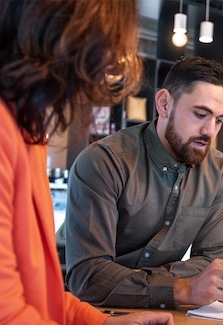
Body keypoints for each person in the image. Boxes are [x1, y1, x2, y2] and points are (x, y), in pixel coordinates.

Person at [0, 0, 174, 324]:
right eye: (103, 46)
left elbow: (42, 294)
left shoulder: (30, 132)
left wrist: (104, 323)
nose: (107, 66)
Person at [64, 56, 223, 309]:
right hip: (86, 307)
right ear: (164, 104)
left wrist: (139, 282)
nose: (210, 131)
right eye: (200, 114)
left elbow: (212, 262)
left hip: (162, 309)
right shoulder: (104, 161)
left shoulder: (219, 171)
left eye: (220, 120)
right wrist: (180, 287)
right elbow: (88, 276)